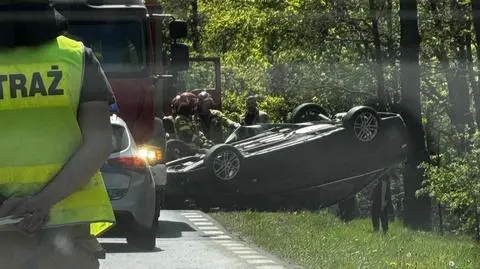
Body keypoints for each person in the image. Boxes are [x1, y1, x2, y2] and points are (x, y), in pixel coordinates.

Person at [0, 1, 115, 268]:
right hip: (65, 226)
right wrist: (41, 203)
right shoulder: (77, 56)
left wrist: (6, 206)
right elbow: (100, 141)